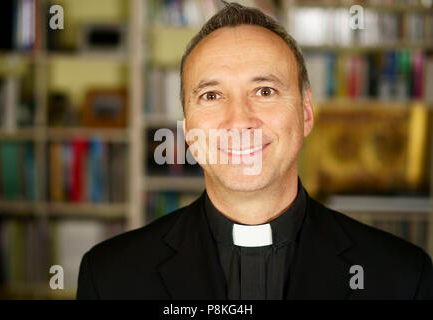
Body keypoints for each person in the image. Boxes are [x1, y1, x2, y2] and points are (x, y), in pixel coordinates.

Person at [77, 2, 433, 299]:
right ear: (188, 129)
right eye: (211, 96)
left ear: (306, 113)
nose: (239, 121)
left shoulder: (403, 277)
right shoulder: (110, 278)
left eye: (264, 91)